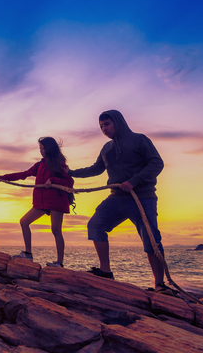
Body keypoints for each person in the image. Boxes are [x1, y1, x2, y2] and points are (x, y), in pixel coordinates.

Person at [68, 110, 171, 294]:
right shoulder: (106, 149)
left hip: (142, 197)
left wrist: (134, 181)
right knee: (95, 225)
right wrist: (70, 173)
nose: (104, 129)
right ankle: (105, 271)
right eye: (101, 126)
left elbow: (157, 163)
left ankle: (160, 285)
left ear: (118, 122)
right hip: (116, 198)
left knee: (151, 238)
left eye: (107, 124)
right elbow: (96, 169)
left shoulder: (140, 140)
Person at [0, 137, 74, 267]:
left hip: (57, 201)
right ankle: (28, 254)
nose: (41, 151)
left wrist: (53, 180)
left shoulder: (60, 164)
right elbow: (23, 174)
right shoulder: (39, 165)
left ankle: (59, 263)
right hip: (41, 202)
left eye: (43, 148)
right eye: (40, 148)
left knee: (56, 230)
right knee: (24, 222)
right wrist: (4, 178)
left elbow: (70, 183)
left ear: (50, 149)